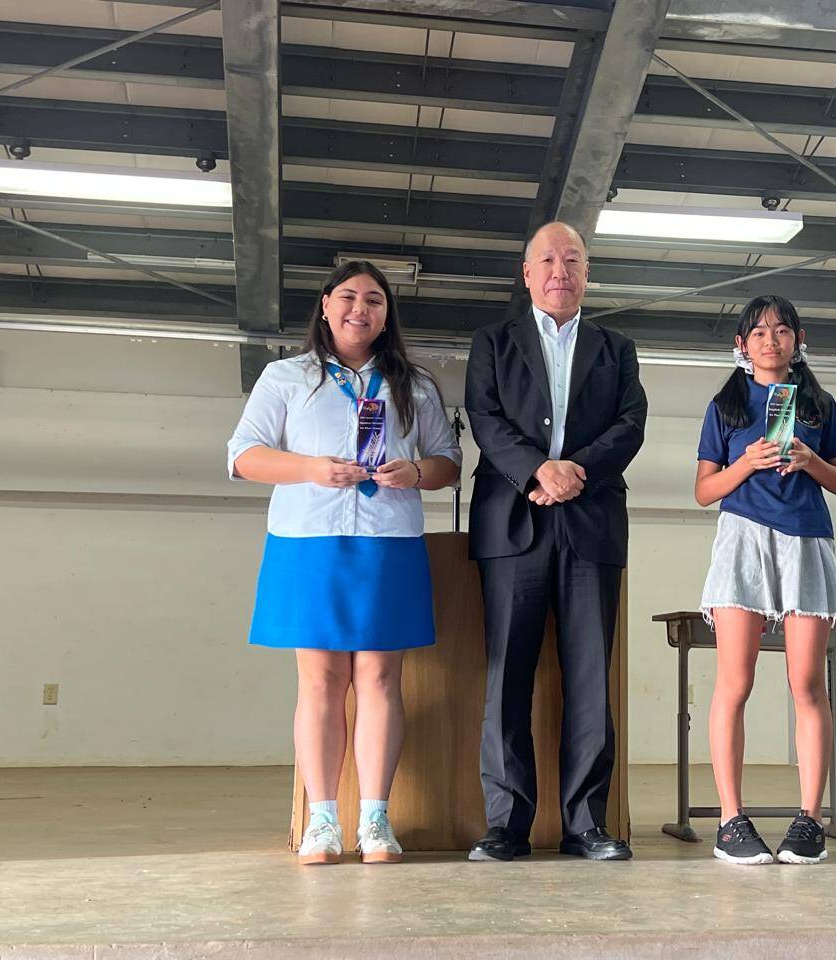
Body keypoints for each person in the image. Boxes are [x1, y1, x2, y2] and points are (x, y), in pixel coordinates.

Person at [226, 261, 461, 866]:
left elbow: (447, 462)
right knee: (320, 681)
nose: (362, 309)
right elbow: (243, 456)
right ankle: (323, 821)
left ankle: (376, 820)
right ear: (326, 306)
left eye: (375, 300)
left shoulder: (415, 384)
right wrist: (311, 468)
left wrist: (415, 471)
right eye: (350, 297)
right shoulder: (286, 376)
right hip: (309, 541)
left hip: (387, 541)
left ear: (386, 315)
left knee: (381, 679)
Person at [464, 221, 647, 862]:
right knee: (506, 677)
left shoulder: (616, 348)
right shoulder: (493, 343)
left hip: (591, 523)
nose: (559, 271)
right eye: (547, 260)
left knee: (591, 677)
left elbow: (631, 422)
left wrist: (576, 473)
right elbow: (484, 417)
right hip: (512, 523)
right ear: (527, 273)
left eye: (572, 260)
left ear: (587, 273)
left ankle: (586, 824)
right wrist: (538, 470)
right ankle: (506, 825)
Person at [694, 294, 836, 866]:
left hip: (806, 541)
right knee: (734, 683)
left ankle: (809, 820)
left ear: (798, 340)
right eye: (759, 332)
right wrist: (746, 463)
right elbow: (704, 490)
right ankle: (730, 821)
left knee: (807, 683)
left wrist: (811, 461)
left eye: (782, 330)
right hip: (742, 541)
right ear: (741, 344)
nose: (770, 340)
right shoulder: (726, 405)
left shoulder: (819, 404)